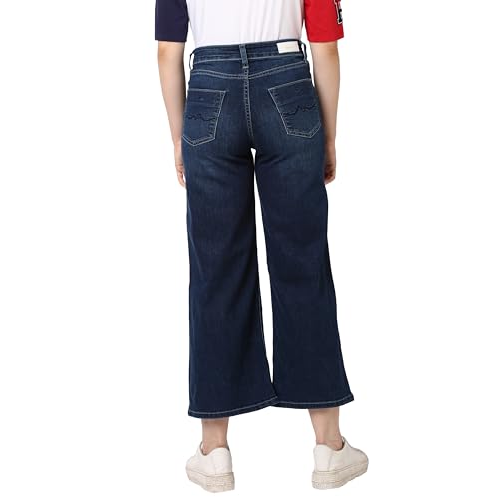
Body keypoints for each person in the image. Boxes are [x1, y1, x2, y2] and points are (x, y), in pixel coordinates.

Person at [155, 0, 368, 491]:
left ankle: (214, 450)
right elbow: (325, 46)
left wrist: (179, 138)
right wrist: (329, 137)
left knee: (215, 271)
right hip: (287, 83)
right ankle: (329, 446)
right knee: (303, 264)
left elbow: (168, 51)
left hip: (208, 89)